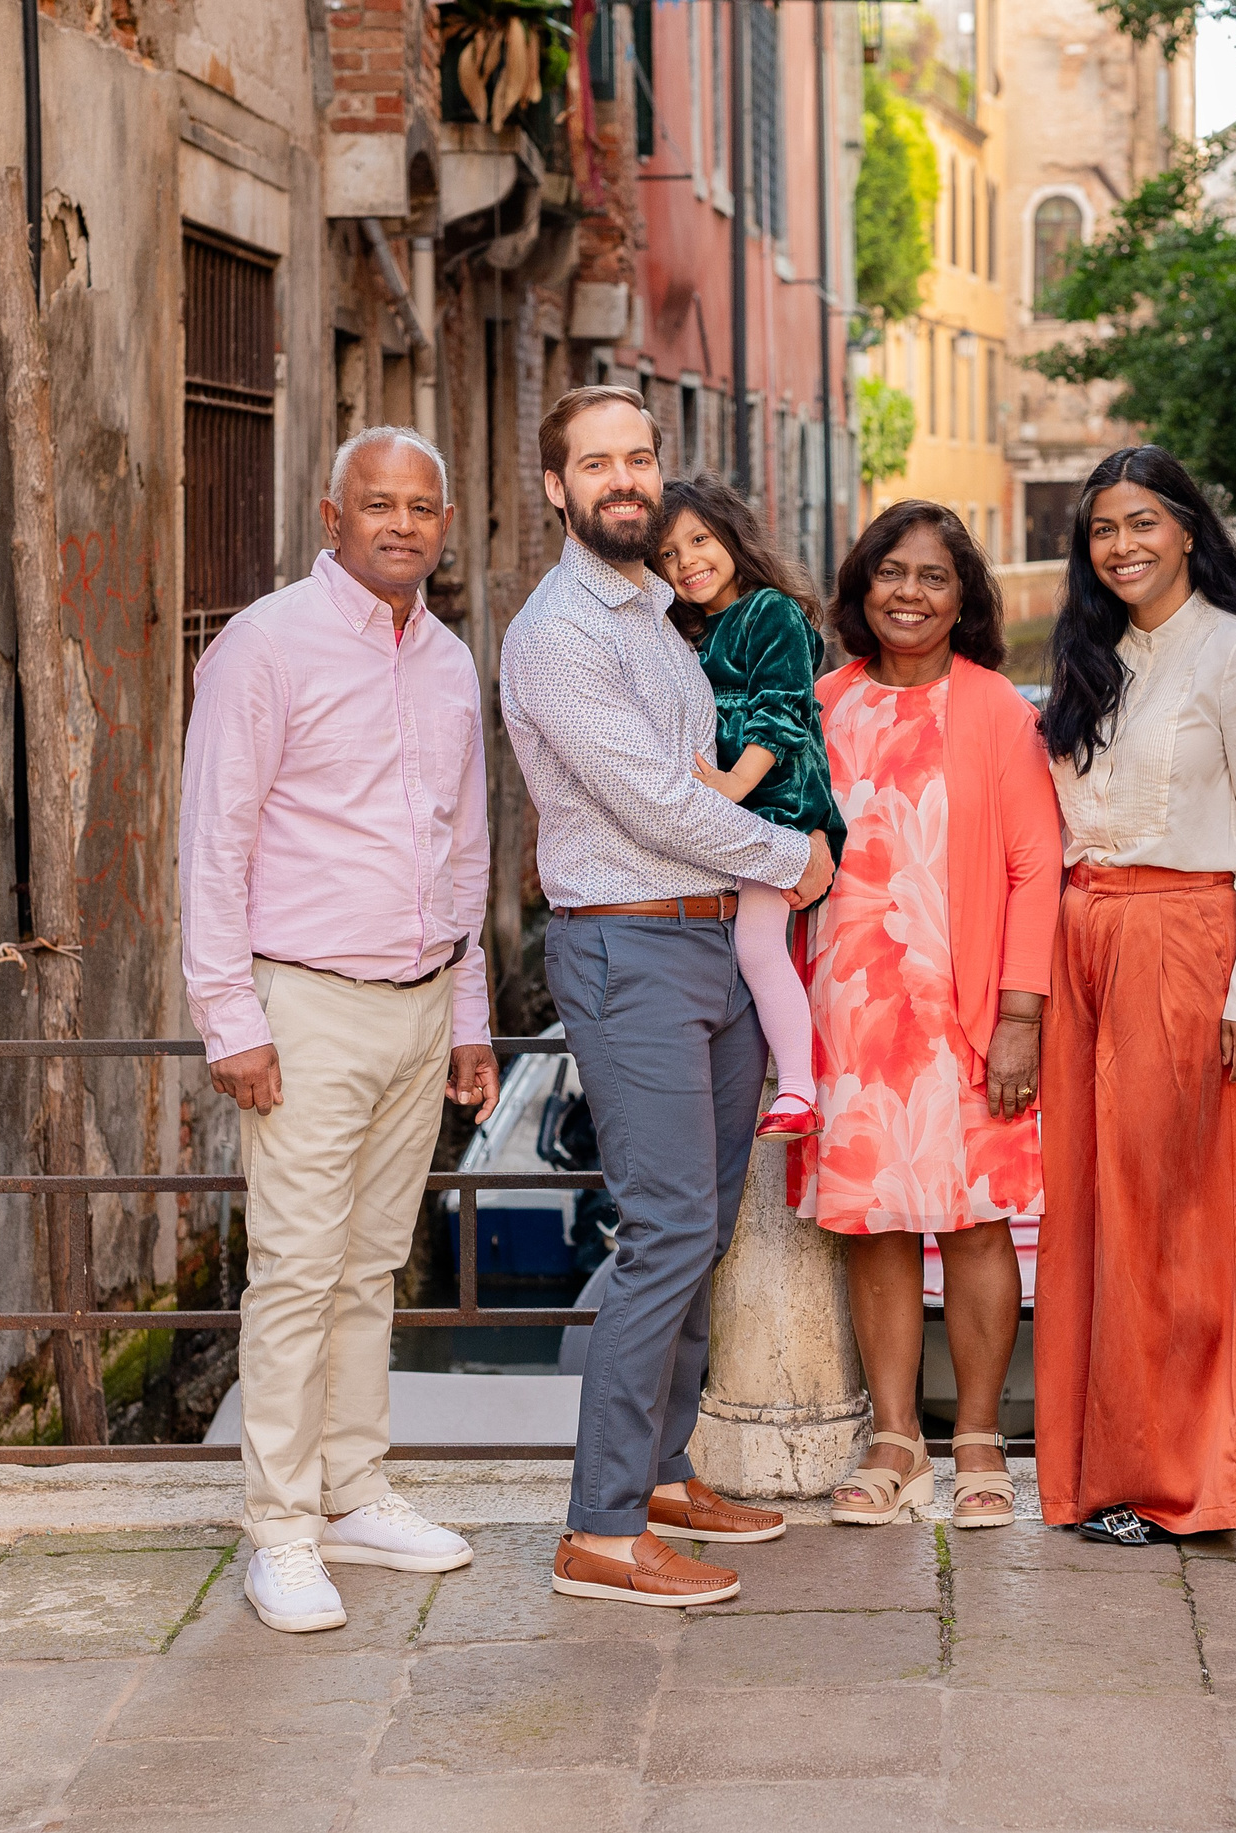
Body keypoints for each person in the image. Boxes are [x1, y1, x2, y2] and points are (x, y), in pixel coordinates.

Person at [501, 385, 837, 1608]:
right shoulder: (557, 634)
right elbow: (653, 800)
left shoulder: (656, 612)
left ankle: (659, 1473)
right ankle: (597, 1529)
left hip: (711, 948)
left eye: (641, 457)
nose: (626, 480)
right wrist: (791, 860)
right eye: (598, 464)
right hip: (627, 949)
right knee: (664, 1234)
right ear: (557, 487)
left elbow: (728, 759)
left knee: (700, 1223)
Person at [181, 426, 499, 1634]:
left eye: (423, 506)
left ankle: (355, 1490)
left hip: (420, 1005)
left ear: (443, 523)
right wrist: (231, 1019)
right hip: (302, 1005)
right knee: (297, 1273)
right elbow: (215, 838)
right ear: (332, 516)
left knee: (371, 1269)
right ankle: (279, 1526)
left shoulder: (451, 661)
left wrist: (469, 1017)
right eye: (379, 504)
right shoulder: (266, 644)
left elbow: (462, 848)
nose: (402, 524)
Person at [1032, 445, 1236, 1546]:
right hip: (1079, 937)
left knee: (1165, 1212)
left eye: (1142, 523)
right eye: (1103, 529)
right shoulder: (1091, 663)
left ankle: (1172, 1481)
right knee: (1082, 1206)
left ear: (1190, 528)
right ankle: (1087, 1474)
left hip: (1182, 939)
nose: (1122, 546)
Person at [806, 500, 1062, 1531]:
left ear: (964, 599)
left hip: (964, 1009)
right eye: (890, 574)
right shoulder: (821, 702)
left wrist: (1020, 1015)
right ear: (862, 587)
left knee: (974, 1222)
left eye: (932, 577)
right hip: (850, 1004)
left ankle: (981, 1438)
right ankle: (896, 1438)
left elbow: (1036, 868)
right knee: (872, 1222)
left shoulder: (997, 709)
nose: (908, 594)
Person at [655, 473, 847, 1141]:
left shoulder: (770, 612)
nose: (687, 563)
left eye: (700, 540)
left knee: (758, 944)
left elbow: (782, 712)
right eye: (669, 555)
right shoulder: (696, 632)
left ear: (733, 537)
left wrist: (735, 785)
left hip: (779, 807)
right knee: (751, 946)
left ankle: (797, 1090)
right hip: (737, 816)